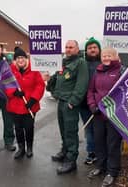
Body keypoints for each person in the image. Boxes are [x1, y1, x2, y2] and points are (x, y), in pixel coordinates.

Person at [48, 40, 89, 174]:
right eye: (66, 47)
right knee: (63, 129)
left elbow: (82, 83)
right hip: (61, 101)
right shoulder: (63, 63)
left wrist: (74, 100)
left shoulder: (80, 63)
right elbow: (56, 81)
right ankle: (65, 151)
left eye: (71, 47)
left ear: (77, 49)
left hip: (70, 103)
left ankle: (71, 161)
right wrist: (49, 80)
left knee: (70, 131)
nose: (68, 49)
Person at [87, 48, 122, 186]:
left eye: (109, 55)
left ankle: (112, 171)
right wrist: (92, 105)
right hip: (98, 114)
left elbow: (125, 93)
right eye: (104, 56)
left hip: (114, 115)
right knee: (99, 141)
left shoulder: (121, 71)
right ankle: (100, 166)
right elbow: (91, 90)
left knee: (112, 144)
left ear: (115, 57)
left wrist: (116, 108)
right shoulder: (97, 71)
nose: (106, 58)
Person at [5, 47, 45, 159]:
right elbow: (6, 85)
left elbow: (40, 85)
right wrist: (14, 92)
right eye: (18, 58)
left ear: (26, 58)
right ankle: (21, 148)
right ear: (15, 60)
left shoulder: (34, 70)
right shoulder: (10, 70)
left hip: (30, 106)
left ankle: (29, 148)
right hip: (15, 106)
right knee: (18, 128)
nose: (20, 60)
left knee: (29, 128)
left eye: (22, 57)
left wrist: (33, 99)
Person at [80, 37, 101, 165]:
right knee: (89, 129)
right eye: (90, 48)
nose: (92, 50)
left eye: (94, 47)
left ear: (98, 49)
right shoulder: (82, 64)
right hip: (84, 104)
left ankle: (101, 152)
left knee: (100, 129)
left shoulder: (104, 62)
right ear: (86, 50)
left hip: (100, 104)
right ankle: (91, 152)